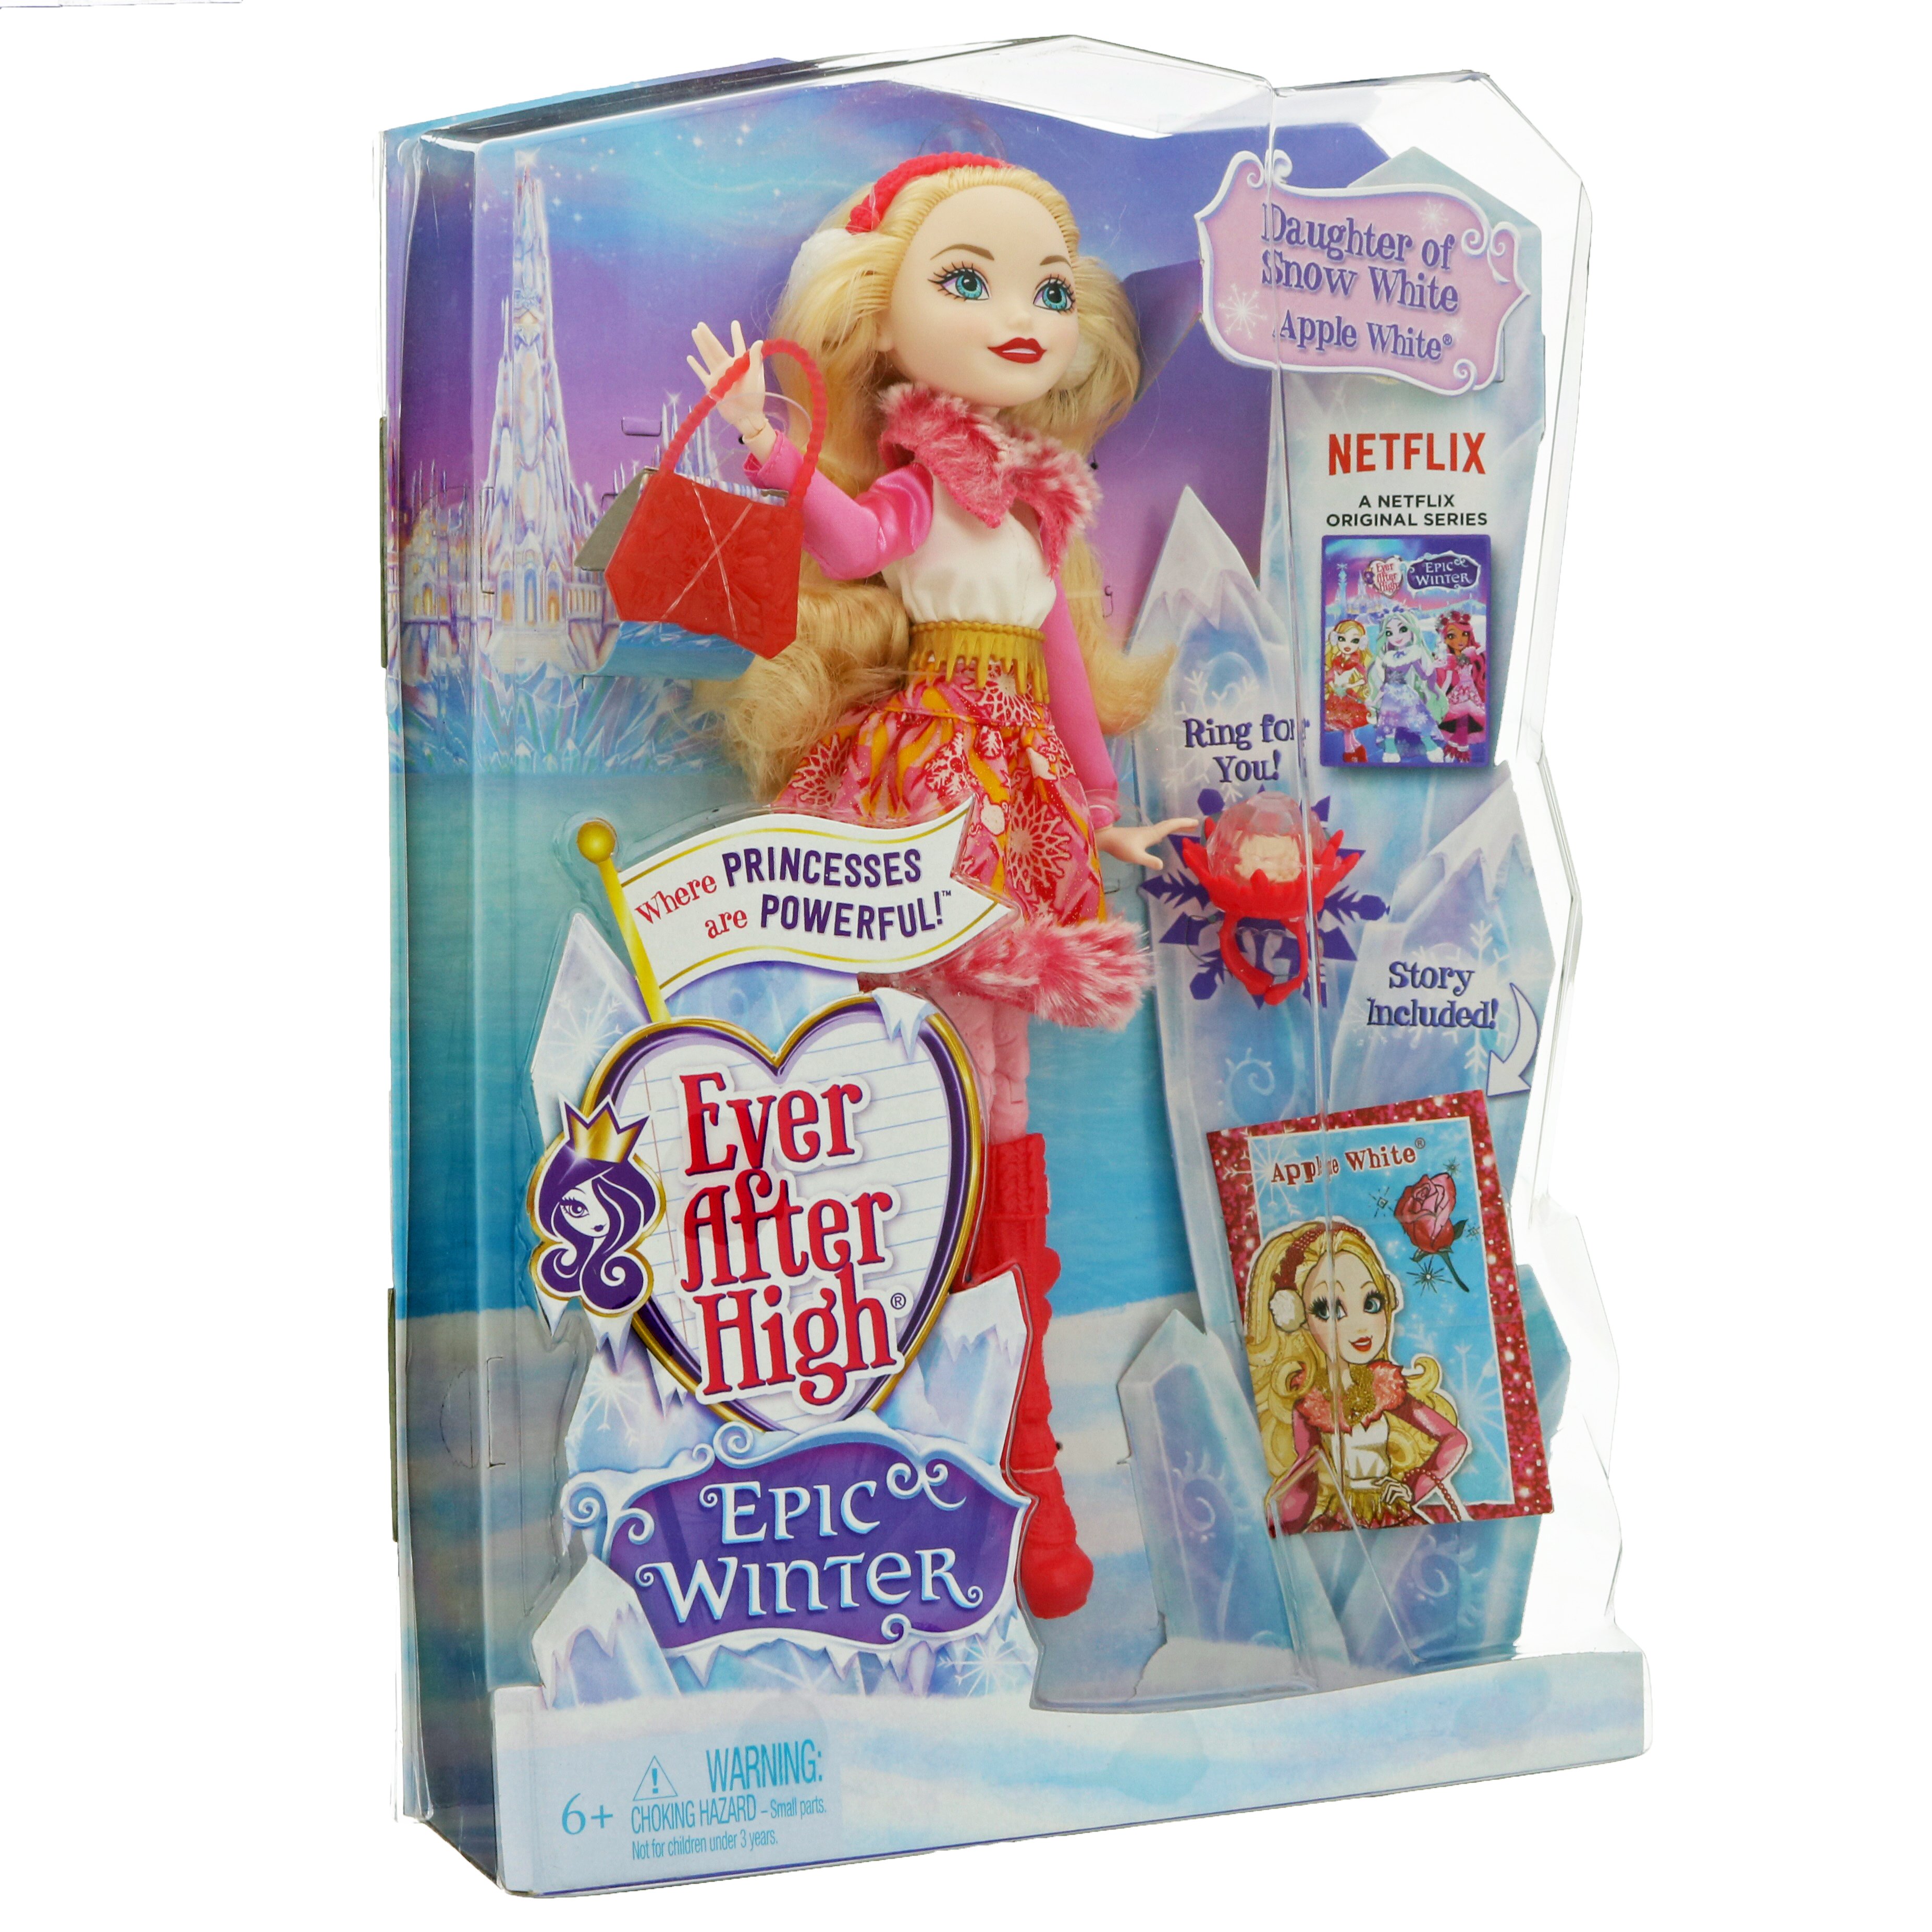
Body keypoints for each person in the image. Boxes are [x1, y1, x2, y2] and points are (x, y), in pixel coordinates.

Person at [687, 154, 1191, 1617]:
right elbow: (853, 543)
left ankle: (1019, 1446)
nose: (1017, 314)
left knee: (1002, 1088)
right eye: (965, 281)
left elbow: (1063, 667)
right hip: (931, 787)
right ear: (879, 312)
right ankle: (962, 1434)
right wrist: (775, 452)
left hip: (1014, 787)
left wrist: (1101, 812)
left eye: (1046, 288)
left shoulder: (1038, 509)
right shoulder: (923, 485)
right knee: (944, 1073)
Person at [1242, 1218, 1469, 1534]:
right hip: (1343, 1517)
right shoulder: (1311, 1406)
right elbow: (1306, 1480)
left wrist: (1413, 1487)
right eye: (1327, 1310)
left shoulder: (1384, 1388)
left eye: (1371, 1303)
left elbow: (1454, 1440)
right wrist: (1275, 1529)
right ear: (1297, 1316)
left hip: (1394, 1512)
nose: (1360, 1326)